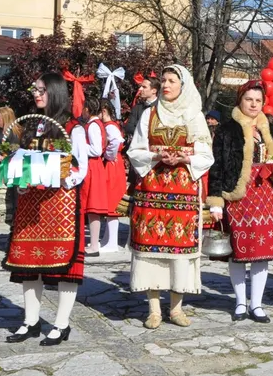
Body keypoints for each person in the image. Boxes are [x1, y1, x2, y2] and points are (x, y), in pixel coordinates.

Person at [1, 72, 91, 346]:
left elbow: (81, 169)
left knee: (64, 265)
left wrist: (60, 176)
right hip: (30, 202)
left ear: (55, 92)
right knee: (28, 262)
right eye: (35, 90)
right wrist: (21, 179)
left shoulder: (73, 127)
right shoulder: (32, 125)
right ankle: (30, 321)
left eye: (41, 90)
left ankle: (62, 324)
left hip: (60, 204)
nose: (36, 94)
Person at [127, 65, 214, 329]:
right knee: (149, 248)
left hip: (183, 190)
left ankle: (176, 308)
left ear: (182, 85)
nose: (166, 85)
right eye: (163, 80)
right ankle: (153, 309)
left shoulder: (194, 115)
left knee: (180, 251)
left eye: (172, 81)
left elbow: (206, 155)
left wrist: (185, 157)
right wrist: (156, 156)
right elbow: (135, 150)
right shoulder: (150, 114)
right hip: (152, 187)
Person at [207, 81, 273, 323]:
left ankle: (256, 304)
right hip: (238, 196)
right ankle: (239, 302)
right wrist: (215, 201)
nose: (254, 104)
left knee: (262, 252)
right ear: (240, 101)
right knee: (238, 251)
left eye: (258, 100)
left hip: (267, 195)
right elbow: (217, 166)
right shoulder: (227, 130)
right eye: (249, 99)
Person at [78, 92, 111, 259]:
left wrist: (80, 146)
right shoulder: (96, 124)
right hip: (94, 166)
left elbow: (96, 149)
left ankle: (93, 244)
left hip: (92, 165)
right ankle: (93, 244)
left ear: (86, 109)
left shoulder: (92, 126)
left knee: (92, 206)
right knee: (92, 208)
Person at [94, 100, 129, 254]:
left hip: (112, 166)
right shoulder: (112, 126)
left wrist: (109, 155)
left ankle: (112, 241)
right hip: (114, 165)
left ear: (104, 111)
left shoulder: (109, 127)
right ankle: (108, 239)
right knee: (110, 201)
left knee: (112, 202)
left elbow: (115, 142)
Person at [0, 106, 17, 226]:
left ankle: (16, 212)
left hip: (13, 160)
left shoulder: (16, 133)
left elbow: (17, 148)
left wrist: (9, 156)